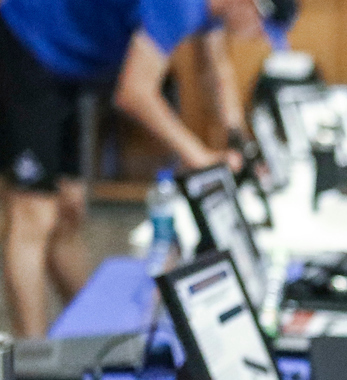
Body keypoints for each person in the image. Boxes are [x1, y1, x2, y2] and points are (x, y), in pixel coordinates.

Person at [0, 0, 293, 338]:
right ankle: (31, 361)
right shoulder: (179, 4)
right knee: (33, 216)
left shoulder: (215, 10)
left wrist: (240, 142)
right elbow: (134, 93)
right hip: (27, 44)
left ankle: (91, 340)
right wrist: (196, 154)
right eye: (259, 26)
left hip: (72, 67)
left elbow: (215, 70)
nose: (255, 37)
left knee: (69, 211)